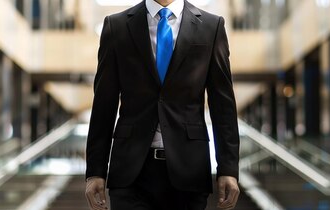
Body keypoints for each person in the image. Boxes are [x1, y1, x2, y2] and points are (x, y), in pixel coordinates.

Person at [85, 0, 240, 209]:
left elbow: (223, 105)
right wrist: (95, 170)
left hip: (189, 170)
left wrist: (228, 168)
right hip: (131, 172)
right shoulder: (116, 26)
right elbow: (104, 104)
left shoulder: (212, 27)